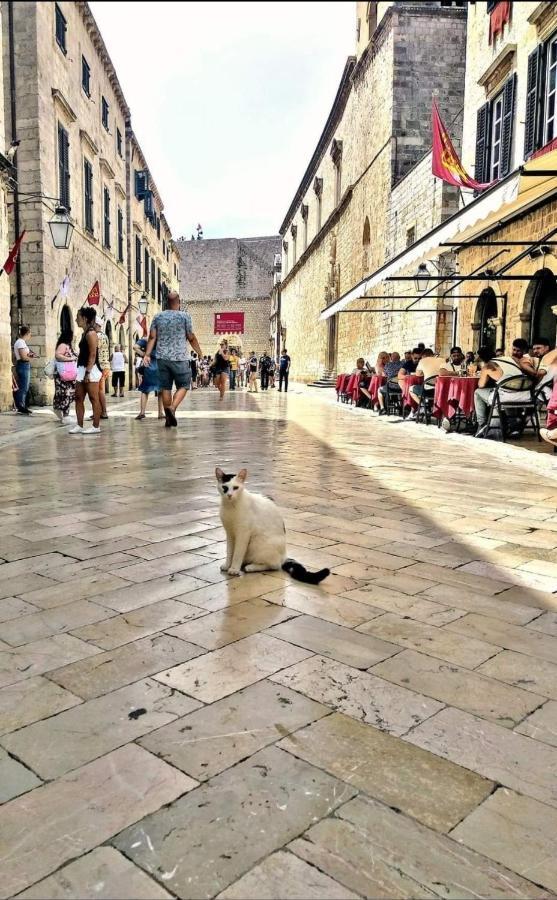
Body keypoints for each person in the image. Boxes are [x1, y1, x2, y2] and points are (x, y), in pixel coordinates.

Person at [143, 290, 203, 427]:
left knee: (165, 387)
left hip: (162, 358)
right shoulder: (185, 317)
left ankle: (169, 418)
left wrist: (147, 354)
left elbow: (152, 337)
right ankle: (172, 408)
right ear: (179, 302)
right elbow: (191, 337)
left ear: (166, 303)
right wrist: (199, 352)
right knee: (184, 385)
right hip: (180, 358)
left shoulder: (158, 317)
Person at [474, 339, 540, 438]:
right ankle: (514, 426)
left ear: (482, 360)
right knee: (507, 390)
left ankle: (482, 424)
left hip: (505, 397)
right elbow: (531, 373)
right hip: (525, 396)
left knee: (478, 392)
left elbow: (481, 385)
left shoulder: (487, 367)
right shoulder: (511, 359)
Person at [69, 306, 102, 435]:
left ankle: (96, 426)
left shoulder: (91, 334)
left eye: (78, 317)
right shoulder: (85, 333)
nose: (76, 320)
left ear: (85, 318)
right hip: (82, 368)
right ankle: (79, 424)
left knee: (94, 398)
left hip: (90, 369)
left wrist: (88, 373)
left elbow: (93, 354)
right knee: (78, 397)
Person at [134, 336, 164, 420]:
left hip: (149, 367)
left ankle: (142, 412)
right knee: (160, 391)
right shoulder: (162, 339)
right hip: (160, 368)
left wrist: (144, 354)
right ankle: (160, 413)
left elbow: (135, 347)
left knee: (145, 390)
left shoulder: (146, 340)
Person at [53, 328, 77, 424]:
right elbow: (57, 355)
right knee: (65, 394)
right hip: (63, 376)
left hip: (68, 376)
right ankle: (65, 415)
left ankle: (64, 414)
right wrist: (70, 359)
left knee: (67, 394)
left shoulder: (67, 346)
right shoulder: (63, 345)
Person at [13, 325, 36, 414]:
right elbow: (23, 357)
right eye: (30, 333)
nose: (30, 335)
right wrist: (31, 358)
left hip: (23, 365)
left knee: (24, 386)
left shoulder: (21, 342)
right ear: (27, 333)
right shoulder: (20, 343)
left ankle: (22, 405)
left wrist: (30, 355)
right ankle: (21, 406)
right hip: (23, 365)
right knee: (23, 387)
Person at [94, 319, 110, 420]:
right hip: (105, 365)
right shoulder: (105, 336)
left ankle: (104, 412)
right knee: (98, 390)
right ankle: (98, 411)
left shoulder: (97, 336)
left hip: (100, 366)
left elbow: (95, 350)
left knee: (100, 390)